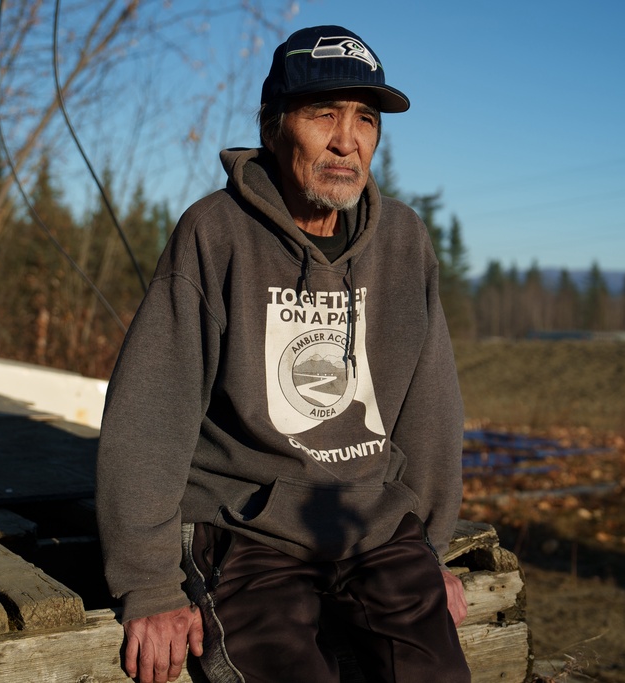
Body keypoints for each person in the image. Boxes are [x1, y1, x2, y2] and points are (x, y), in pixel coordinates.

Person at [96, 24, 470, 683]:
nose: (347, 140)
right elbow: (152, 414)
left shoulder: (405, 242)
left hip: (372, 522)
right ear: (275, 128)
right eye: (323, 113)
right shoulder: (215, 233)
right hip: (245, 529)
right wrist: (150, 584)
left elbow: (430, 403)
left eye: (365, 118)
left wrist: (430, 545)